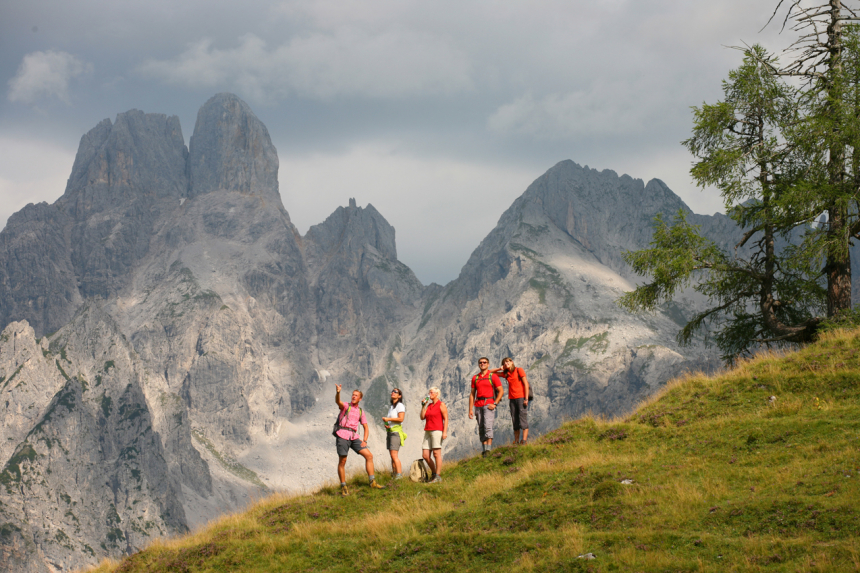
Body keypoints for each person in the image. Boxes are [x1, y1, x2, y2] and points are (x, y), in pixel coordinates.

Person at [333, 384, 383, 495]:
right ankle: (343, 486)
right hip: (342, 434)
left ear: (360, 398)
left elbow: (366, 427)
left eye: (356, 395)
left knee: (369, 456)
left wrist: (365, 440)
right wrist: (338, 392)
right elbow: (338, 402)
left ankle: (372, 481)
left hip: (354, 436)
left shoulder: (360, 411)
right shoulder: (346, 406)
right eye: (353, 395)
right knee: (343, 461)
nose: (353, 397)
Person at [469, 357, 504, 456]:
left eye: (484, 362)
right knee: (481, 427)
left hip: (489, 403)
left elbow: (501, 391)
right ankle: (484, 450)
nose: (482, 364)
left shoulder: (493, 376)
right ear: (478, 365)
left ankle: (488, 450)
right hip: (478, 404)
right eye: (480, 362)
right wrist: (470, 409)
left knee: (488, 426)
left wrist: (495, 403)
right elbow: (472, 394)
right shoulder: (475, 378)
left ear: (488, 364)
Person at [492, 357, 530, 445]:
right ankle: (516, 441)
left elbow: (526, 384)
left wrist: (526, 398)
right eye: (504, 363)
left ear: (512, 362)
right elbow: (490, 372)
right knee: (514, 420)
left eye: (508, 361)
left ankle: (524, 441)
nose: (506, 363)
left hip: (521, 397)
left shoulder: (519, 370)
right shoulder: (506, 374)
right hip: (512, 399)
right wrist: (500, 368)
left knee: (523, 418)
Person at [419, 387, 448, 483]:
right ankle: (434, 473)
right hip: (428, 430)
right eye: (429, 392)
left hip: (437, 430)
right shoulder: (429, 405)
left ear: (436, 394)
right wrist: (423, 406)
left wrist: (444, 432)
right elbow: (422, 417)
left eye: (431, 392)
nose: (429, 394)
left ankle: (438, 476)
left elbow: (446, 418)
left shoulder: (441, 404)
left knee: (436, 453)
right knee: (425, 455)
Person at [381, 388, 407, 479]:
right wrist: (388, 425)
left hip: (396, 433)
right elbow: (394, 420)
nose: (393, 392)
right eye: (392, 391)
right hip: (390, 432)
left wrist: (388, 419)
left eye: (395, 392)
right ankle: (394, 474)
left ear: (399, 396)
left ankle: (399, 474)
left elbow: (401, 419)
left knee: (394, 455)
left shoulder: (400, 405)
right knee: (392, 455)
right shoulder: (392, 407)